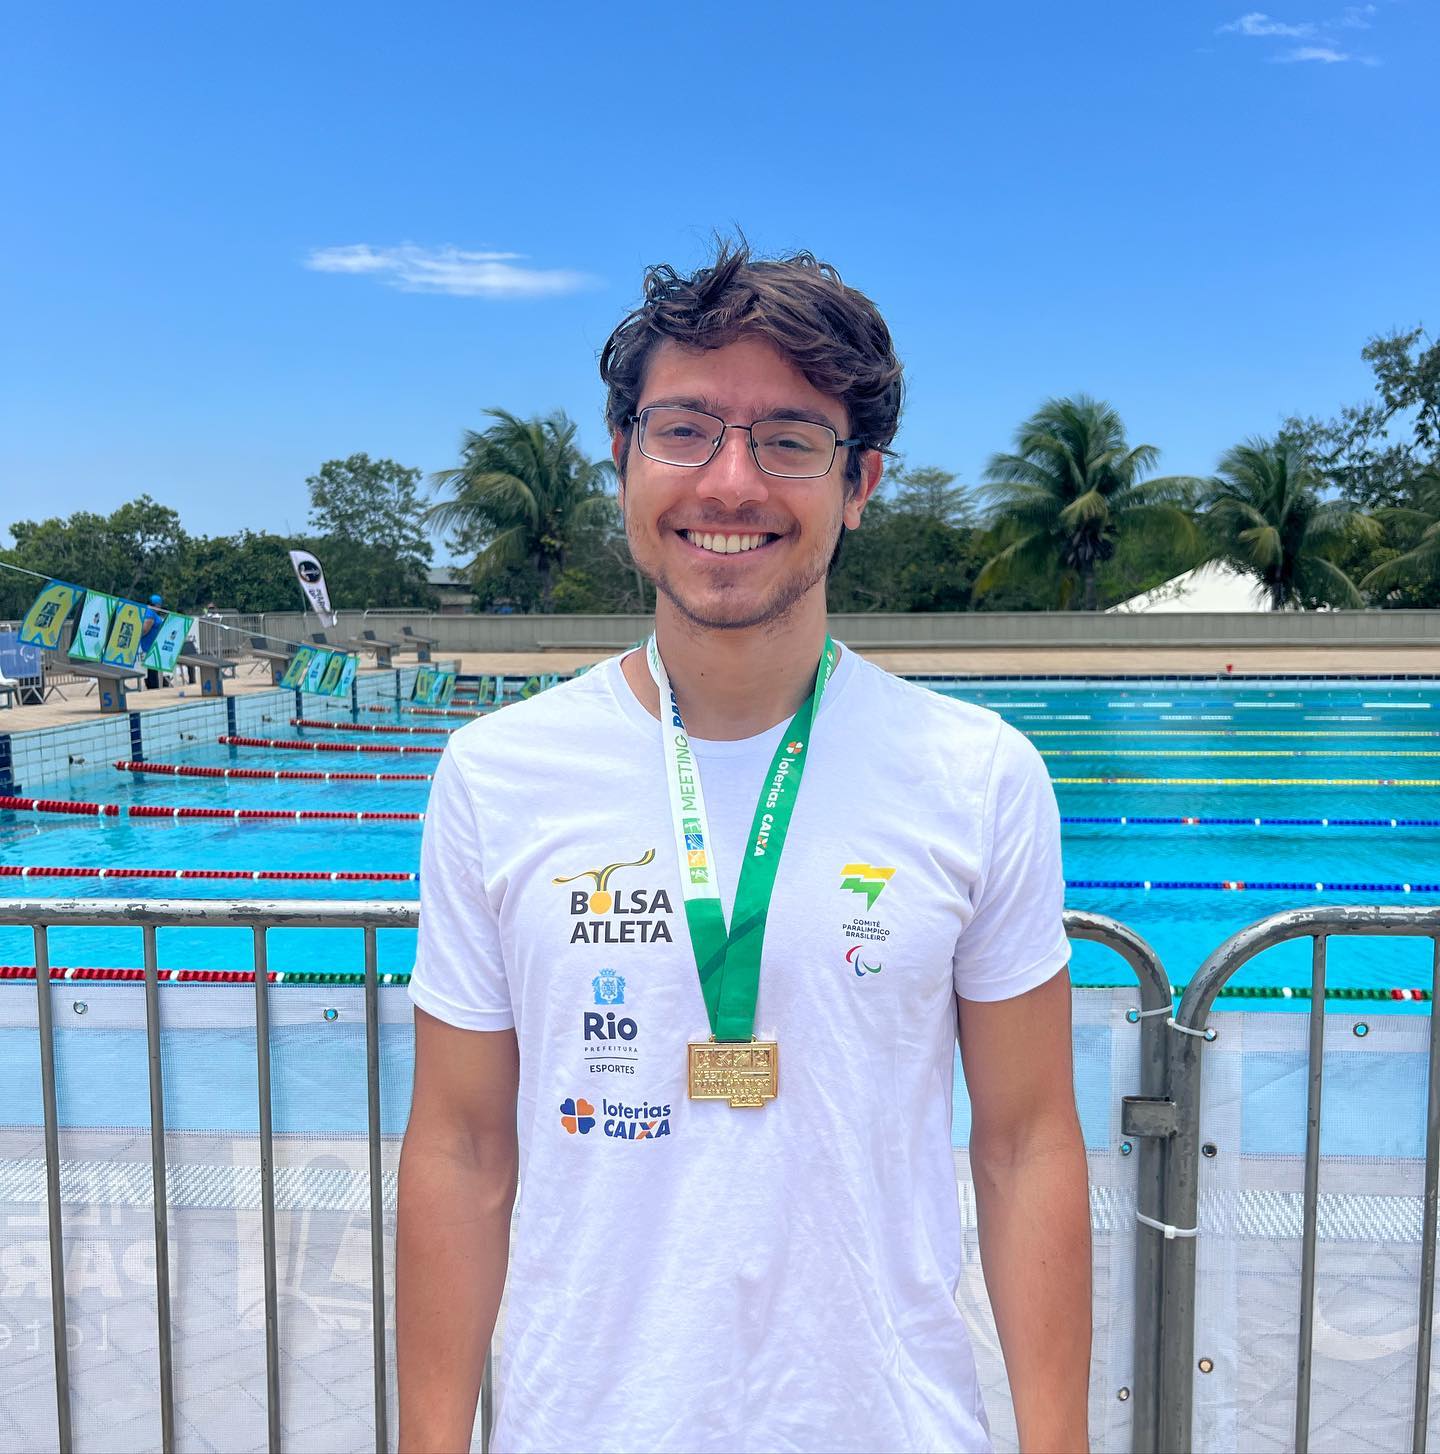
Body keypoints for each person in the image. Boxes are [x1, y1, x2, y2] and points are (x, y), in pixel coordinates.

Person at [397, 240, 1091, 1454]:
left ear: (859, 481)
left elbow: (1026, 1143)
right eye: (684, 430)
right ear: (623, 458)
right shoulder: (495, 774)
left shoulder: (978, 774)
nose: (730, 482)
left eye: (789, 439)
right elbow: (461, 1146)